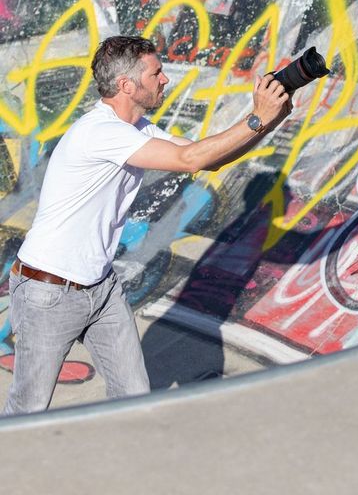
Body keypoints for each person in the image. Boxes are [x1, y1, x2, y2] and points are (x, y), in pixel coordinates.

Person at [3, 35, 292, 415]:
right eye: (156, 73)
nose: (164, 80)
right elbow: (190, 158)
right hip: (50, 291)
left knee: (135, 400)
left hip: (100, 288)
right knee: (29, 409)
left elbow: (207, 159)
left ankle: (130, 470)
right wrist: (256, 117)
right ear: (127, 85)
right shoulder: (99, 132)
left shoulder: (140, 129)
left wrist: (267, 122)